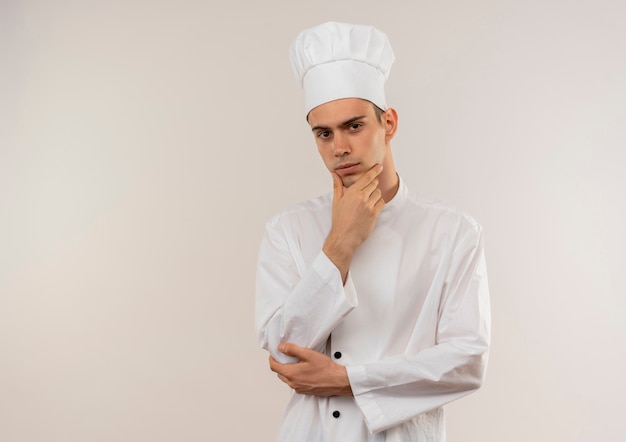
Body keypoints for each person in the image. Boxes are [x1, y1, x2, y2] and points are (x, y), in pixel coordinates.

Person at [255, 21, 491, 442]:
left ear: (390, 124)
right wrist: (339, 245)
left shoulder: (452, 231)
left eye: (354, 126)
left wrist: (349, 379)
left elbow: (467, 360)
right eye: (323, 133)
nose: (339, 147)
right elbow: (283, 353)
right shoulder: (288, 229)